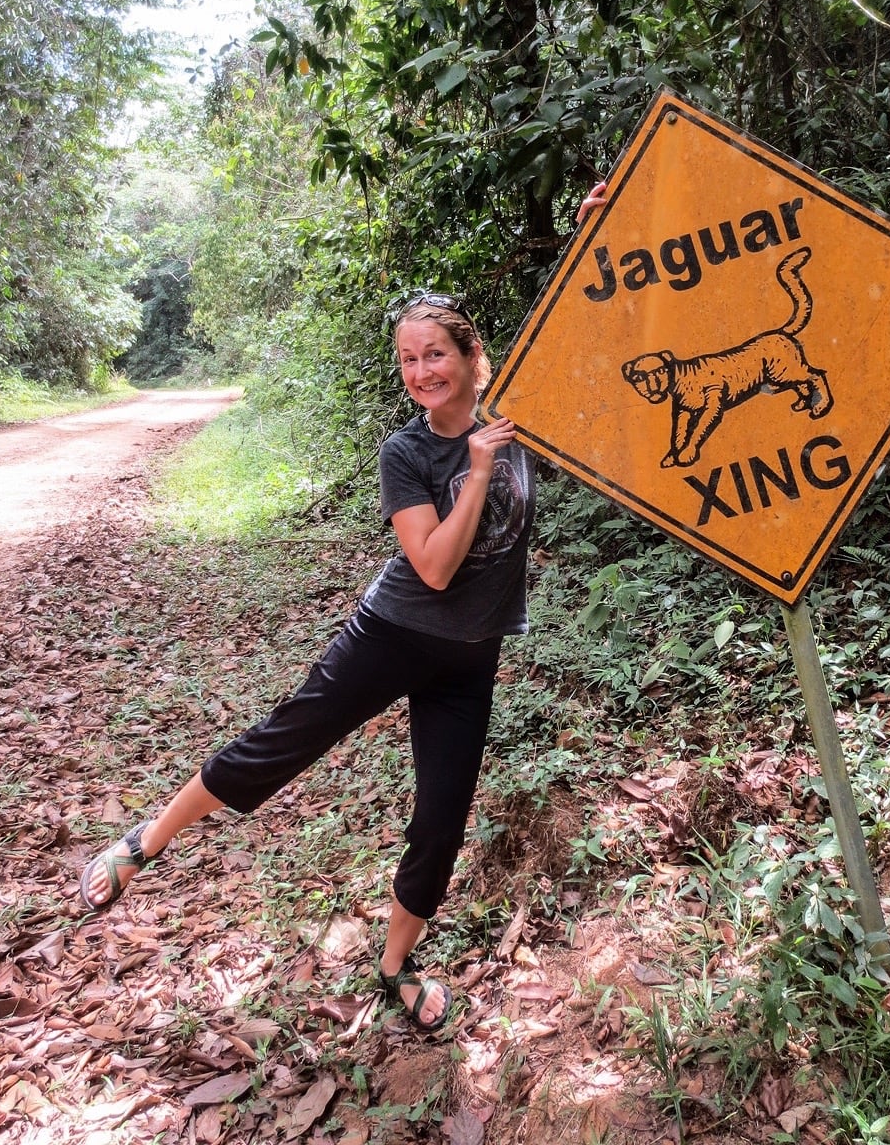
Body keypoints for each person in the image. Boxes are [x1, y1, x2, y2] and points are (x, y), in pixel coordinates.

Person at [78, 180, 609, 1032]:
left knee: (441, 821)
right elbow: (433, 568)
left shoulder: (509, 412)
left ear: (474, 358)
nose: (420, 373)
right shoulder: (407, 453)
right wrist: (473, 470)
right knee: (278, 748)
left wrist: (596, 236)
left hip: (471, 658)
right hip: (393, 635)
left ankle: (395, 967)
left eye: (435, 353)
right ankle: (147, 840)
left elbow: (571, 330)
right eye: (406, 359)